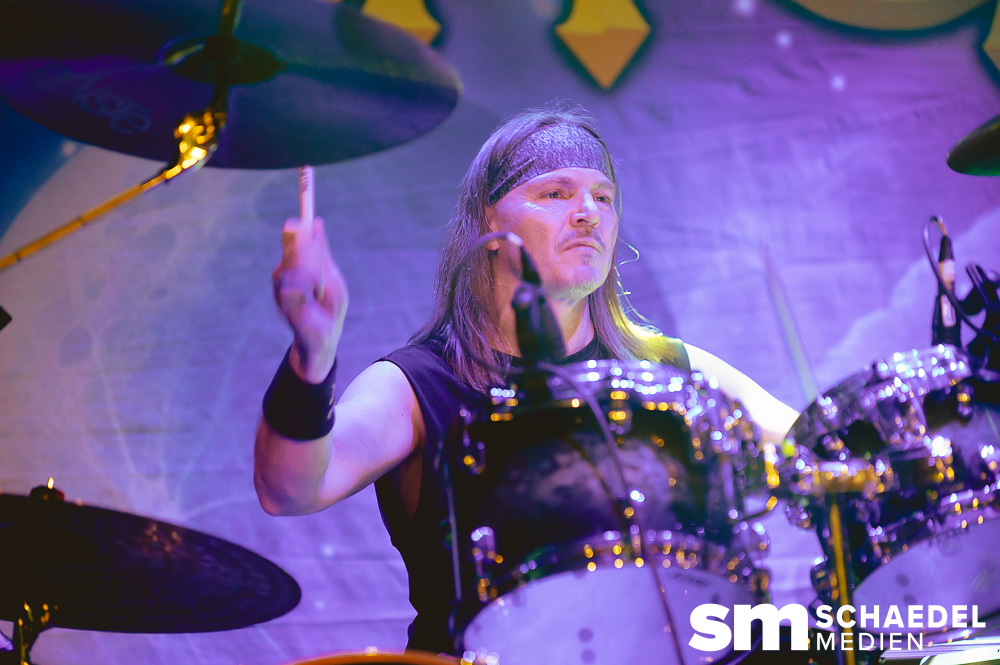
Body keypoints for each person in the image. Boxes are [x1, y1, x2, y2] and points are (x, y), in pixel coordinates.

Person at [254, 105, 798, 654]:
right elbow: (287, 489)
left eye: (603, 197)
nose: (587, 214)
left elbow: (814, 443)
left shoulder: (665, 371)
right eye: (555, 193)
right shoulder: (417, 385)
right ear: (489, 223)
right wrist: (312, 354)